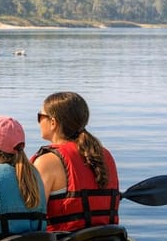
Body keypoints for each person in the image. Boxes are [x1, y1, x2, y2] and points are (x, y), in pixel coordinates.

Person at [32, 91, 120, 232]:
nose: (38, 122)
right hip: (107, 237)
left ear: (53, 122)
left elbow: (31, 215)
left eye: (40, 116)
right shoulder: (105, 155)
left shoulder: (46, 162)